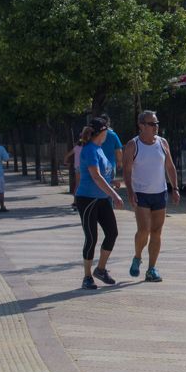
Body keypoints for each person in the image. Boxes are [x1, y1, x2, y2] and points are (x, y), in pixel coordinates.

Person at [123, 110, 180, 282]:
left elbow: (170, 167)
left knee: (156, 232)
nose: (156, 127)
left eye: (157, 123)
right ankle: (137, 256)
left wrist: (175, 188)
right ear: (141, 126)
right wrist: (130, 192)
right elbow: (126, 170)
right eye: (152, 124)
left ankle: (151, 269)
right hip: (141, 193)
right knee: (144, 230)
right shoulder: (133, 145)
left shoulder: (162, 143)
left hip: (160, 192)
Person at [75, 118, 124, 289]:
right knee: (91, 237)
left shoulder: (99, 149)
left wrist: (112, 182)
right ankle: (87, 276)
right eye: (106, 131)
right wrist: (115, 195)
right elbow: (95, 177)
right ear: (101, 132)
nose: (107, 134)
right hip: (87, 199)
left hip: (102, 199)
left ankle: (101, 269)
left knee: (112, 233)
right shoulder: (89, 150)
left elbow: (102, 176)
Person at [97, 113, 123, 189]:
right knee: (109, 186)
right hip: (109, 165)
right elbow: (119, 150)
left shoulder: (95, 134)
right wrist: (119, 162)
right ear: (108, 123)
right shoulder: (113, 135)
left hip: (96, 164)